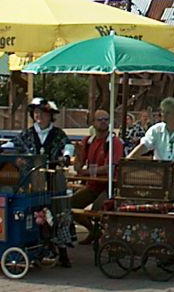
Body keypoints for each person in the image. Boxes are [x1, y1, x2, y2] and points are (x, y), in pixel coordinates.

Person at [12, 98, 77, 266]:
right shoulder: (26, 134)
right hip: (33, 181)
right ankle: (35, 248)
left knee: (59, 213)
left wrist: (67, 156)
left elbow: (68, 146)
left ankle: (62, 251)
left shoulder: (58, 134)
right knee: (33, 213)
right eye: (36, 113)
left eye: (43, 113)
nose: (39, 116)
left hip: (53, 178)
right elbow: (13, 145)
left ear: (50, 116)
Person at [127, 97, 174, 195]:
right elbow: (145, 145)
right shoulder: (156, 129)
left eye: (167, 112)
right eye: (162, 111)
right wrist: (128, 159)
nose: (163, 114)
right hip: (159, 181)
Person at [72, 109, 124, 209]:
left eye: (106, 119)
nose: (103, 122)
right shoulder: (88, 141)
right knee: (70, 204)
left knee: (98, 208)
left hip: (110, 187)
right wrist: (78, 154)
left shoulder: (115, 142)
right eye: (100, 119)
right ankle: (89, 225)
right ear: (93, 123)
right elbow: (77, 168)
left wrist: (85, 172)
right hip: (93, 186)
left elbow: (109, 168)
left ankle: (95, 223)